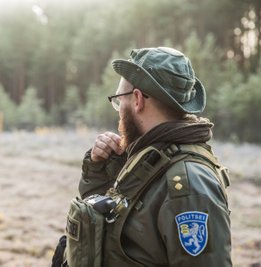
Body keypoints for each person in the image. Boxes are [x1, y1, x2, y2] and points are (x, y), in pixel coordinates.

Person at [56, 47, 232, 267]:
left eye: (119, 100)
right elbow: (117, 233)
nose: (119, 109)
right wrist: (100, 172)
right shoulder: (149, 161)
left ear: (137, 99)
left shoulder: (188, 185)